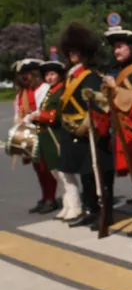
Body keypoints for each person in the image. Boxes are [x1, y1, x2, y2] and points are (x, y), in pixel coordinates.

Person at [50, 23, 112, 230]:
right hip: (73, 132)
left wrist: (88, 124)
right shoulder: (70, 76)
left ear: (85, 52)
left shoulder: (90, 76)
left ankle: (103, 212)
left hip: (89, 132)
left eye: (76, 51)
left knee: (95, 175)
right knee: (85, 176)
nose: (72, 55)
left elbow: (99, 104)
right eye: (70, 51)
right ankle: (89, 209)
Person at [101, 27, 132, 207]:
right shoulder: (120, 70)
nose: (116, 51)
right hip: (124, 129)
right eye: (115, 47)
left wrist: (115, 89)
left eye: (121, 46)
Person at [32, 60, 81, 221]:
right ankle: (67, 205)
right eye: (47, 75)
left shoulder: (62, 90)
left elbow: (59, 114)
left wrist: (42, 116)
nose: (49, 78)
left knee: (64, 174)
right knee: (56, 174)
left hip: (58, 136)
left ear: (59, 75)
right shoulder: (51, 91)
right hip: (48, 137)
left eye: (52, 74)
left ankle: (75, 206)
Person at [13, 58, 58, 214]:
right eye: (21, 74)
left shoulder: (43, 88)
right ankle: (45, 196)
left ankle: (51, 199)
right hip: (29, 134)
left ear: (34, 74)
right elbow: (18, 112)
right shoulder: (21, 94)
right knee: (38, 169)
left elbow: (40, 111)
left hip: (43, 132)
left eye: (26, 73)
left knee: (47, 168)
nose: (23, 77)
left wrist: (25, 119)